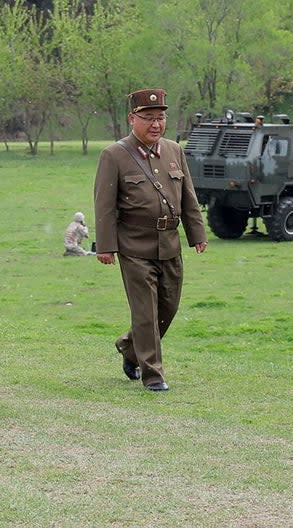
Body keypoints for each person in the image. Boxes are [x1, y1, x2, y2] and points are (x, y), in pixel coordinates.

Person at [94, 88, 207, 392]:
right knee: (145, 312)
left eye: (160, 118)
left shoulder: (174, 151)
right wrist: (105, 246)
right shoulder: (114, 155)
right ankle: (153, 374)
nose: (155, 124)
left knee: (167, 309)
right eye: (148, 118)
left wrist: (197, 233)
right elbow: (104, 204)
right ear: (132, 119)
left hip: (169, 243)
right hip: (134, 245)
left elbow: (188, 198)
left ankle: (129, 348)